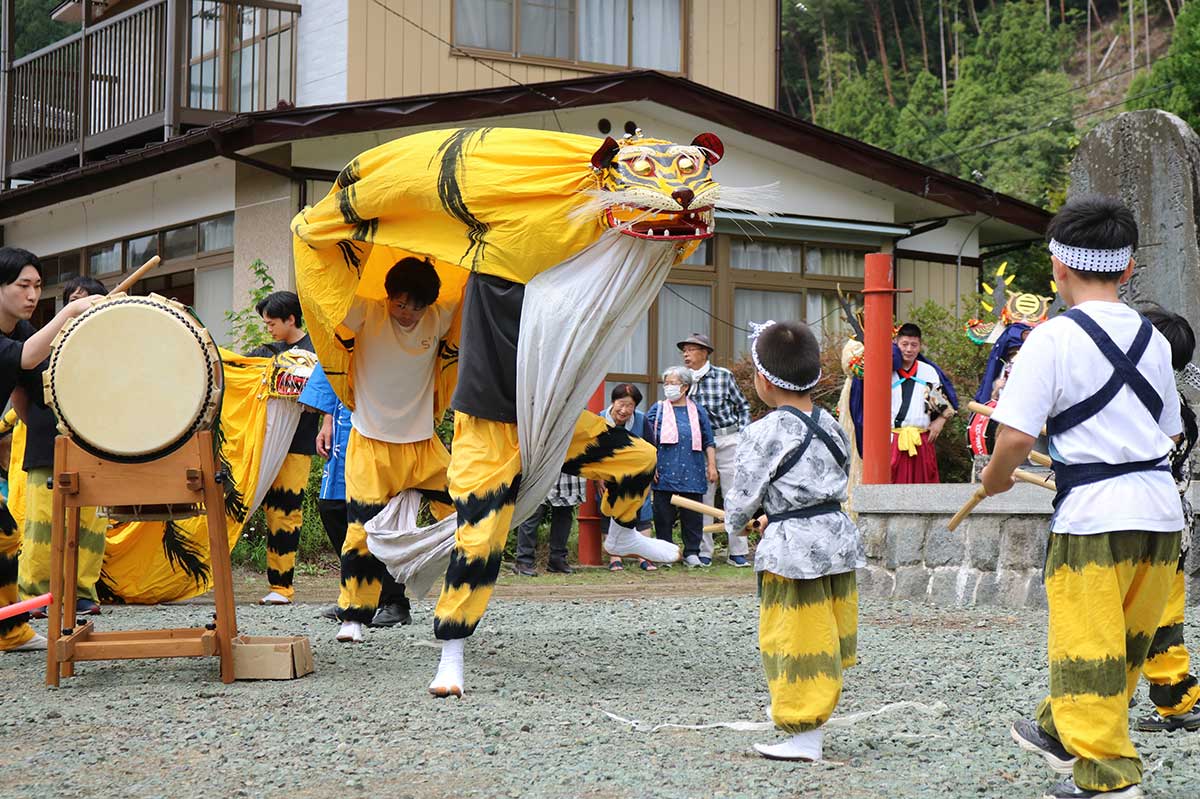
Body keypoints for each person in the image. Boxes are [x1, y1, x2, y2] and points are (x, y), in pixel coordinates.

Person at [983, 196, 1183, 799]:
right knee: (1124, 645)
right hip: (1159, 513)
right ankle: (1059, 730)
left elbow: (1015, 436)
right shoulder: (1153, 337)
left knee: (1086, 648)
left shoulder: (1051, 339)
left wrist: (994, 480)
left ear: (1057, 268)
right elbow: (1170, 431)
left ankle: (1110, 782)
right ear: (1126, 270)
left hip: (1093, 518)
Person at [723, 319, 863, 762]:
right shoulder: (833, 424)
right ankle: (807, 708)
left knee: (795, 636)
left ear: (763, 380)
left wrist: (741, 522)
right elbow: (822, 483)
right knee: (826, 631)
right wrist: (775, 516)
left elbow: (741, 500)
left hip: (794, 551)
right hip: (834, 539)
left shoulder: (764, 432)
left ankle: (803, 731)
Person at [332, 257, 460, 644]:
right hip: (372, 443)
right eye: (401, 304)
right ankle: (353, 616)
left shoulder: (437, 319)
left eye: (416, 306)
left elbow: (467, 278)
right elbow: (328, 296)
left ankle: (458, 605)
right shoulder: (367, 312)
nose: (407, 314)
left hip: (423, 445)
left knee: (471, 512)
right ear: (388, 297)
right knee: (362, 533)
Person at [0, 248, 104, 650]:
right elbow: (26, 359)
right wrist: (69, 314)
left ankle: (10, 631)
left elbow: (32, 385)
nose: (32, 295)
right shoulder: (22, 338)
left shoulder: (22, 330)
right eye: (22, 285)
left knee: (6, 537)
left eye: (38, 286)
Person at [1134, 307, 1200, 734]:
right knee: (1161, 618)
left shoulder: (1160, 403)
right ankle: (1178, 700)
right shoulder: (1175, 398)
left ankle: (1179, 699)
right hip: (1168, 520)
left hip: (1153, 521)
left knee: (1154, 619)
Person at [247, 291, 319, 606]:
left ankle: (281, 587)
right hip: (260, 443)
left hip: (297, 444)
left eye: (272, 323)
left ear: (291, 319)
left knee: (285, 511)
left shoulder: (317, 352)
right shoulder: (265, 352)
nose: (269, 329)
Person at [678, 332, 752, 567]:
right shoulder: (681, 380)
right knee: (704, 496)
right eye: (684, 350)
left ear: (704, 352)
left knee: (735, 494)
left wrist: (743, 434)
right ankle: (704, 551)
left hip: (728, 438)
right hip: (698, 445)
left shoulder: (723, 376)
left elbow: (743, 406)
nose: (685, 354)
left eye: (690, 349)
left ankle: (737, 551)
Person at [297, 360, 355, 621]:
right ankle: (354, 595)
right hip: (343, 424)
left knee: (376, 512)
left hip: (383, 426)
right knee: (333, 506)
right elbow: (334, 370)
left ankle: (392, 599)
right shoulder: (342, 331)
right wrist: (327, 421)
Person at [644, 366, 717, 568]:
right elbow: (647, 442)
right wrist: (651, 466)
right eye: (666, 383)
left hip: (692, 470)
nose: (668, 387)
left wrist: (712, 465)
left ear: (685, 387)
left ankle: (692, 552)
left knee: (692, 515)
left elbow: (708, 441)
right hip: (664, 470)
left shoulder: (697, 410)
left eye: (673, 383)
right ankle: (666, 553)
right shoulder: (657, 409)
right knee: (663, 514)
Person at [889, 323, 954, 483]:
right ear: (896, 343)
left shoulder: (928, 372)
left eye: (914, 345)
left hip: (922, 439)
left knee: (924, 491)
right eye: (904, 344)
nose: (909, 349)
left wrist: (940, 421)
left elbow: (941, 404)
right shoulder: (887, 371)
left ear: (920, 346)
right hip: (893, 439)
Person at [600, 384, 656, 572]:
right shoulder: (599, 419)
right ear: (613, 402)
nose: (624, 410)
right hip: (608, 475)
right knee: (610, 510)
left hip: (637, 474)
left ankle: (644, 557)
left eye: (629, 406)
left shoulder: (641, 420)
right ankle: (615, 557)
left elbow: (651, 446)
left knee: (642, 513)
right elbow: (592, 450)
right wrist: (598, 477)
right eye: (620, 404)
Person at [511, 473, 582, 577]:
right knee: (533, 512)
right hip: (542, 466)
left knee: (564, 512)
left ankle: (557, 559)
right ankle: (523, 561)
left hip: (568, 467)